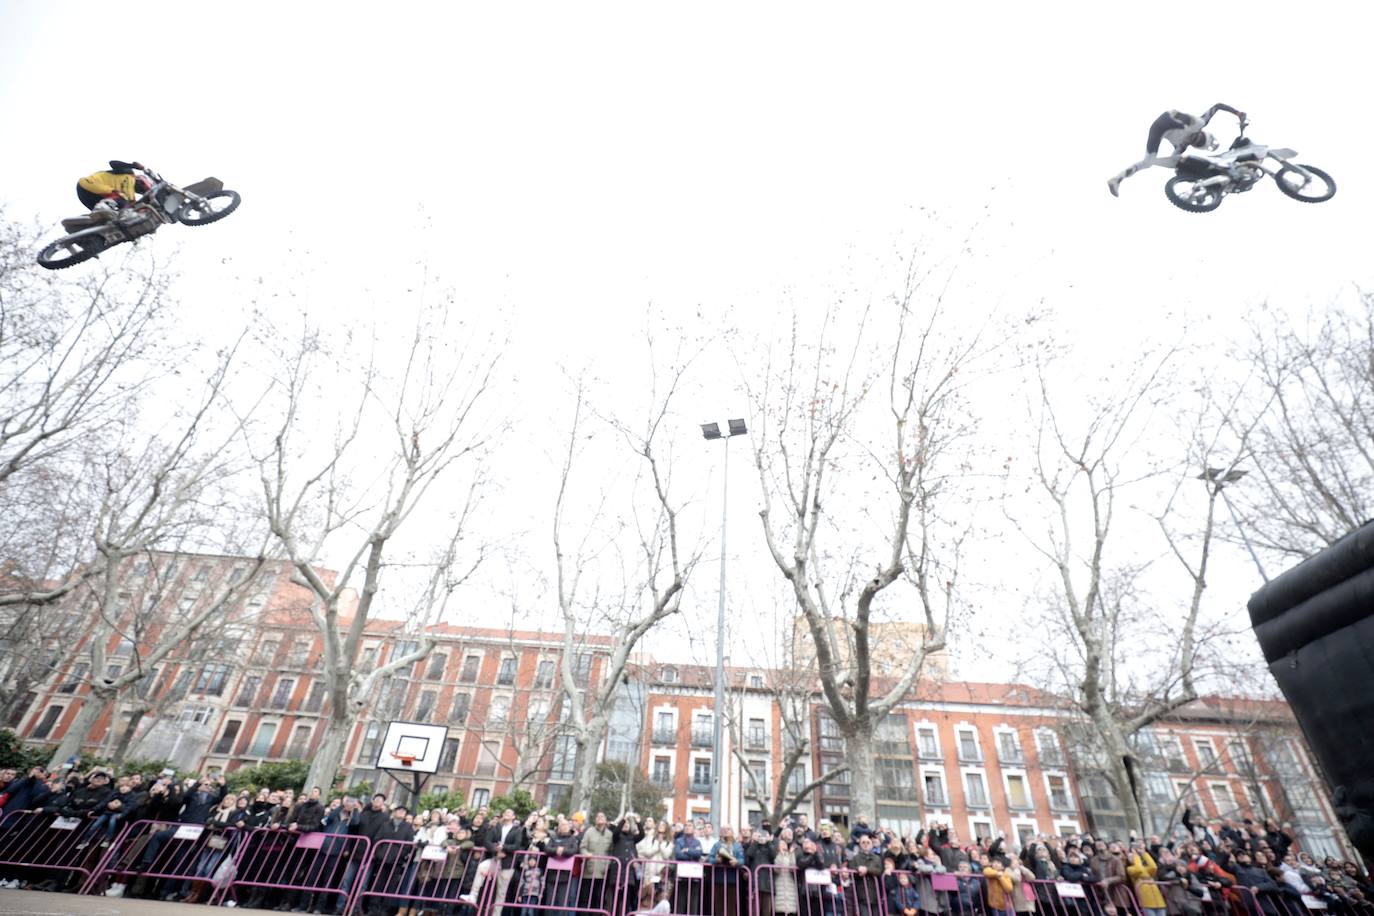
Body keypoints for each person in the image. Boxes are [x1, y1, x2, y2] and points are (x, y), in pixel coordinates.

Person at [1106, 104, 1246, 197]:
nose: (1194, 140)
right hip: (1169, 118)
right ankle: (1179, 117)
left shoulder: (1182, 146)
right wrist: (1237, 113)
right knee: (1196, 123)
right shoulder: (1200, 124)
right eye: (1199, 138)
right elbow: (1217, 106)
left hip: (1157, 131)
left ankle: (1116, 179)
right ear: (1202, 133)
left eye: (1196, 143)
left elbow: (1175, 161)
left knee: (1148, 162)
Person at [76, 160, 154, 212]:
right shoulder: (129, 173)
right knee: (121, 197)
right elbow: (113, 163)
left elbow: (133, 207)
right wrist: (133, 166)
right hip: (89, 183)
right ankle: (103, 207)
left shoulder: (131, 198)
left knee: (117, 213)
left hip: (92, 198)